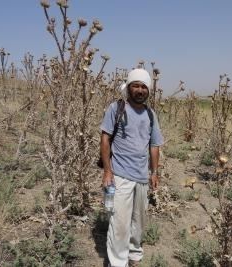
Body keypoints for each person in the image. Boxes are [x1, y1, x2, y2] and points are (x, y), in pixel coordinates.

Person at [100, 68, 164, 267]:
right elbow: (105, 139)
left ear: (148, 90)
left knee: (139, 221)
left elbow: (154, 145)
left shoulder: (151, 115)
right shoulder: (116, 108)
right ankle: (118, 262)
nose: (140, 90)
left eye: (144, 86)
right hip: (120, 175)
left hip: (142, 177)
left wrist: (154, 173)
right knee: (119, 222)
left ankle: (134, 254)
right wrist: (107, 171)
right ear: (128, 88)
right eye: (135, 85)